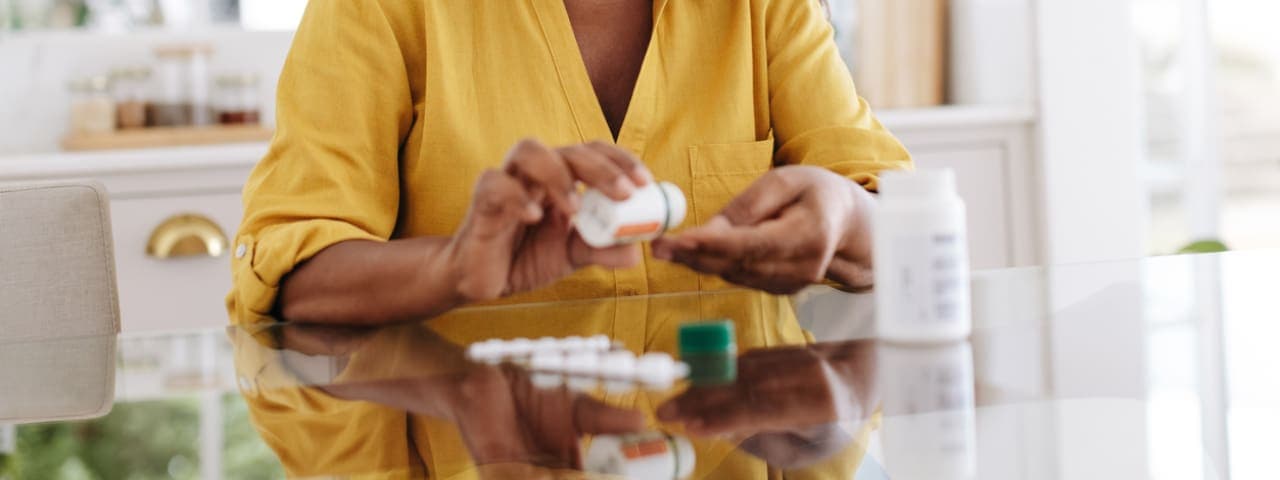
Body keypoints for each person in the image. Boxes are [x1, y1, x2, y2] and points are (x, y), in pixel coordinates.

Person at [226, 0, 910, 327]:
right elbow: (297, 276)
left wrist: (846, 215)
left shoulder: (765, 8)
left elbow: (900, 224)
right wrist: (455, 267)